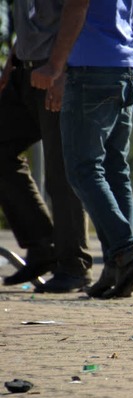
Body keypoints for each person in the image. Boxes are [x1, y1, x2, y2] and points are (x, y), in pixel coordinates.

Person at [31, 0, 133, 299]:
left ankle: (127, 253)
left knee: (83, 169)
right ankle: (116, 265)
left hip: (91, 71)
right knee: (114, 169)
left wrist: (55, 66)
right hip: (126, 65)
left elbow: (77, 5)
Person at [0, 0, 93, 293]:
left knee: (61, 170)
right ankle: (42, 246)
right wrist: (12, 59)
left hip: (55, 70)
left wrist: (61, 68)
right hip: (24, 71)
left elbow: (78, 8)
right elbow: (32, 18)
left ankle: (74, 265)